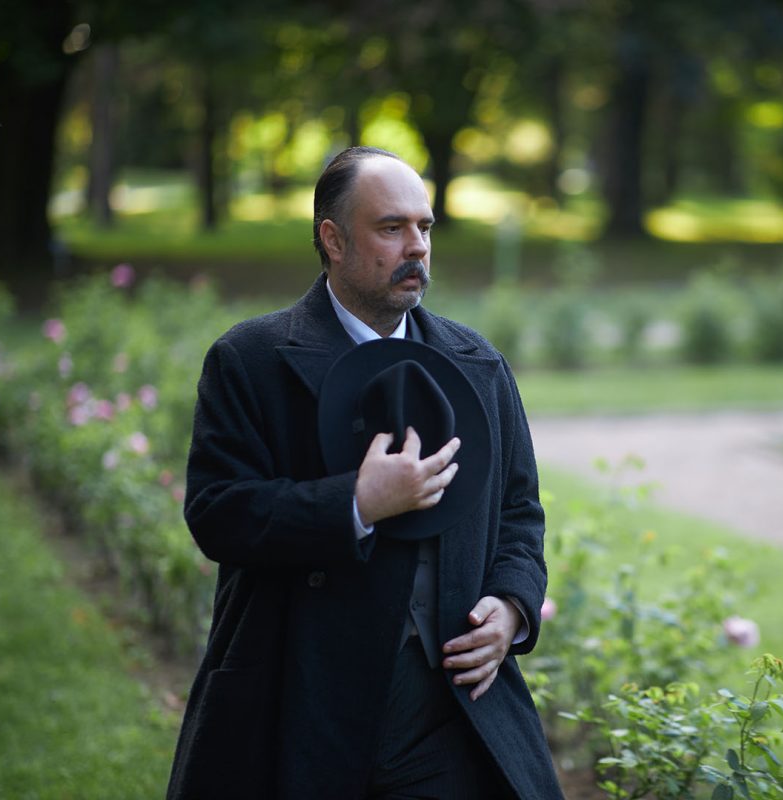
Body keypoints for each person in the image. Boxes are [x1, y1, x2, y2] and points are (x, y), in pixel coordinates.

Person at [166, 146, 562, 799]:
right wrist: (355, 503)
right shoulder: (251, 360)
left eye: (425, 228)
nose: (417, 247)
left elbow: (519, 512)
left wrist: (512, 607)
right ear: (333, 239)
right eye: (391, 228)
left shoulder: (477, 363)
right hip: (299, 703)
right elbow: (218, 513)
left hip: (452, 713)